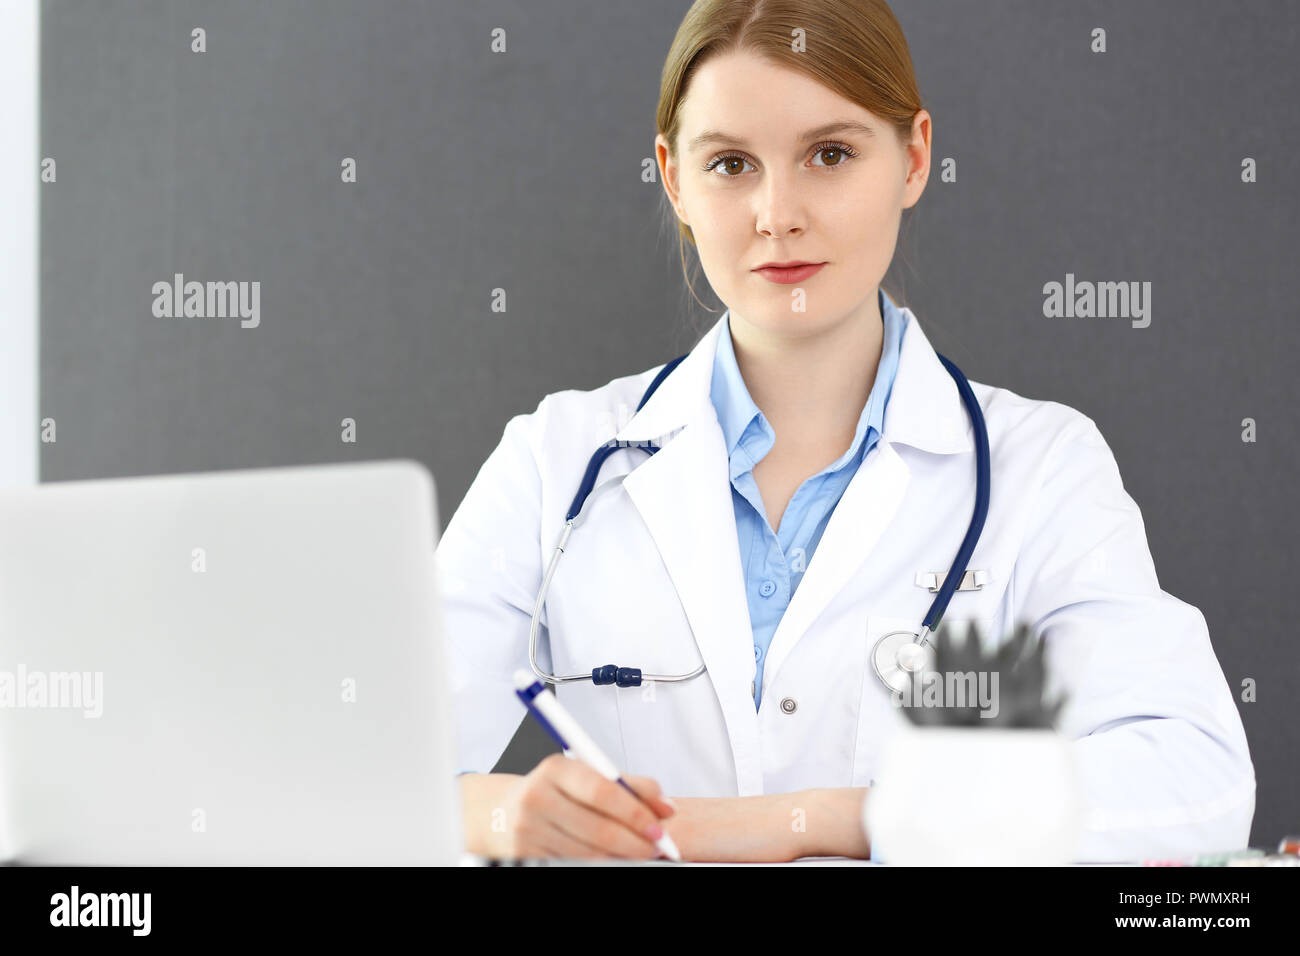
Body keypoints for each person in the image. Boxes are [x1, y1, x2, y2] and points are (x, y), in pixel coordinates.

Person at [438, 0, 1255, 862]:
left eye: (830, 154)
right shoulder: (558, 460)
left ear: (913, 158)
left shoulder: (1042, 466)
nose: (777, 213)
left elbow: (1190, 782)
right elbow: (350, 766)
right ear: (673, 180)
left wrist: (841, 818)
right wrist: (497, 815)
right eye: (730, 164)